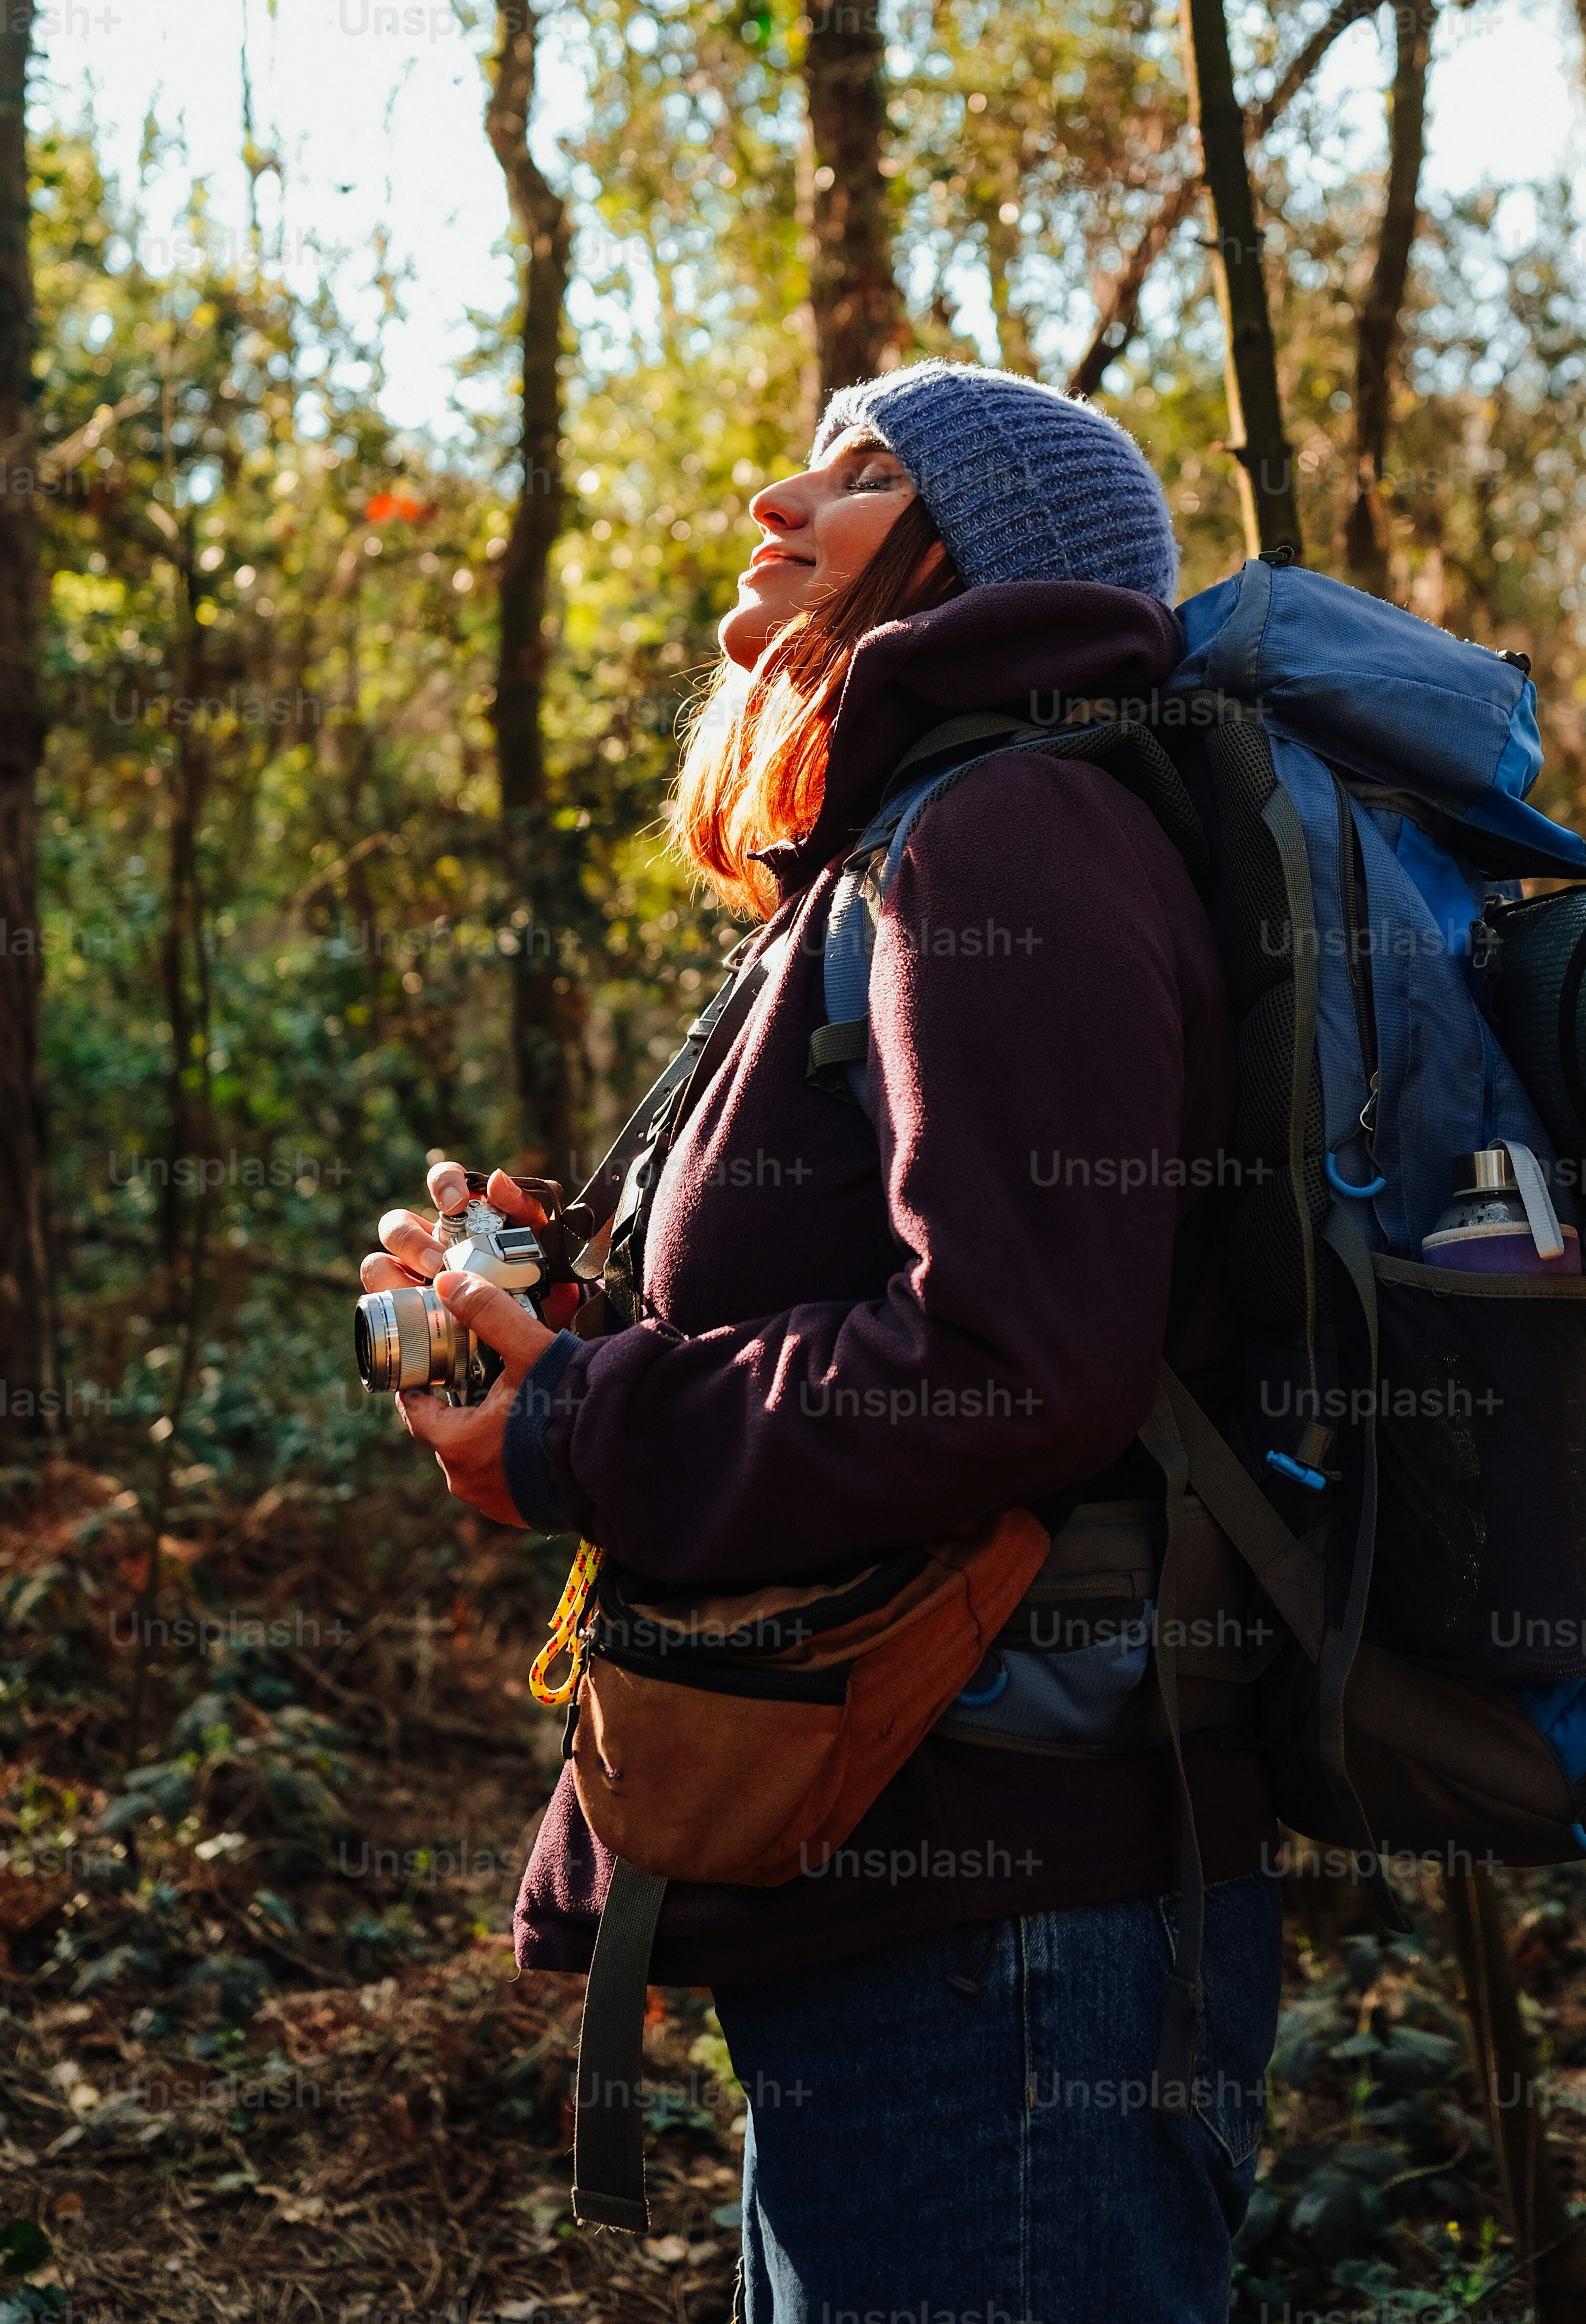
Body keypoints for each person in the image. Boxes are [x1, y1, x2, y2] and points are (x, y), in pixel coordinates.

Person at [360, 361, 1282, 2324]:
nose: (779, 496)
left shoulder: (1007, 834)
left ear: (975, 557)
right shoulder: (899, 846)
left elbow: (1009, 1360)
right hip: (904, 1881)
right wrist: (549, 1328)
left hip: (1000, 1916)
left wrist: (577, 1422)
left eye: (862, 477)